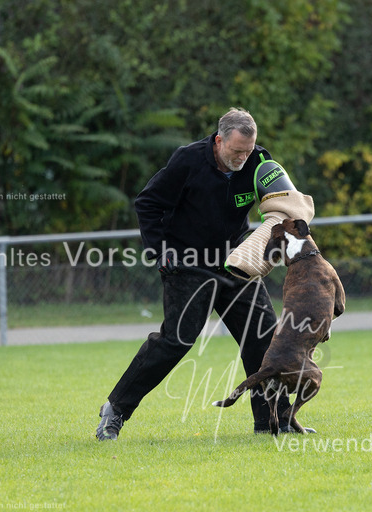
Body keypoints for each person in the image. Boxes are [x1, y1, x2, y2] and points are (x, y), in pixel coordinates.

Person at [95, 108, 290, 440]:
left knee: (263, 336)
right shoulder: (187, 161)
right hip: (187, 262)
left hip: (235, 260)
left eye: (248, 150)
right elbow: (148, 203)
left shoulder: (260, 162)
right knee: (176, 340)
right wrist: (161, 252)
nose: (243, 158)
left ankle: (275, 422)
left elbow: (286, 203)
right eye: (236, 151)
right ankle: (115, 410)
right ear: (219, 140)